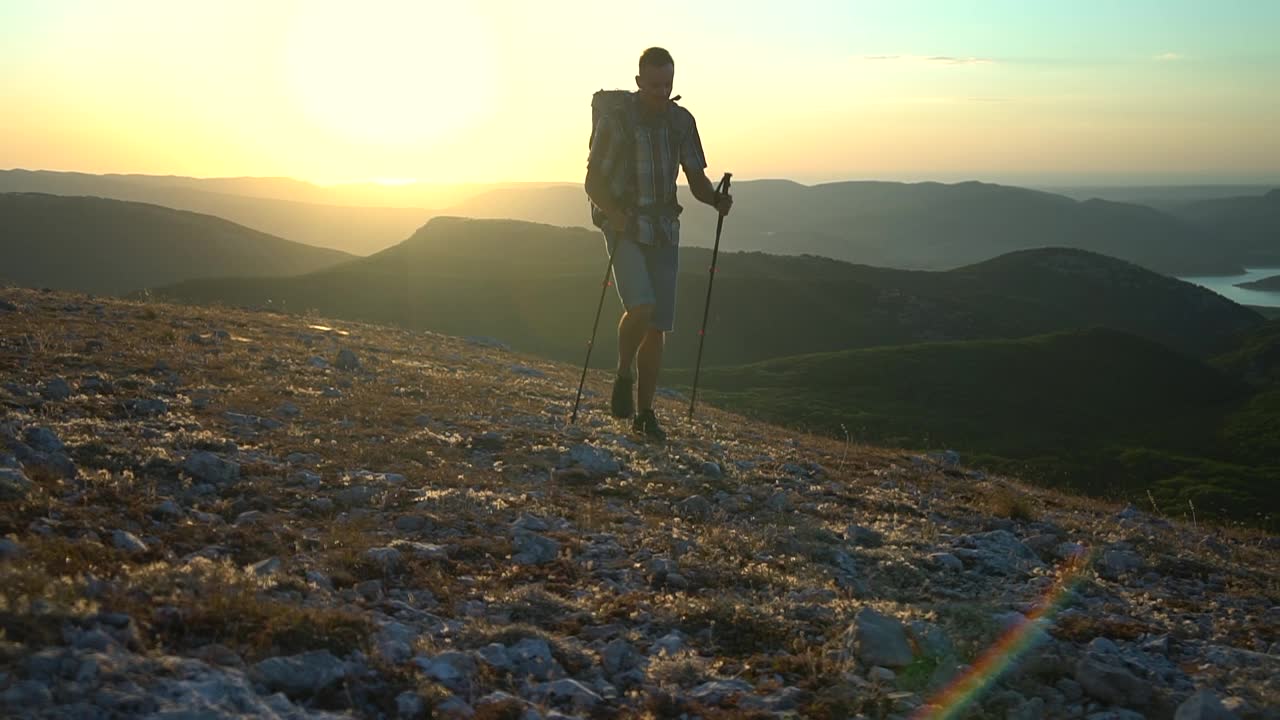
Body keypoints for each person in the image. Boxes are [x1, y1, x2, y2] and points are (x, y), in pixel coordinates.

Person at [584, 46, 733, 440]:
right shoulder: (616, 122)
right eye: (654, 85)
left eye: (667, 85)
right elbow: (592, 182)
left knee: (658, 327)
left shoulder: (681, 122)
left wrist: (716, 199)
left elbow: (696, 178)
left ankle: (645, 413)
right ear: (638, 82)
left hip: (664, 227)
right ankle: (622, 373)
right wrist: (614, 214)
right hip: (624, 225)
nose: (661, 93)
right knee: (644, 307)